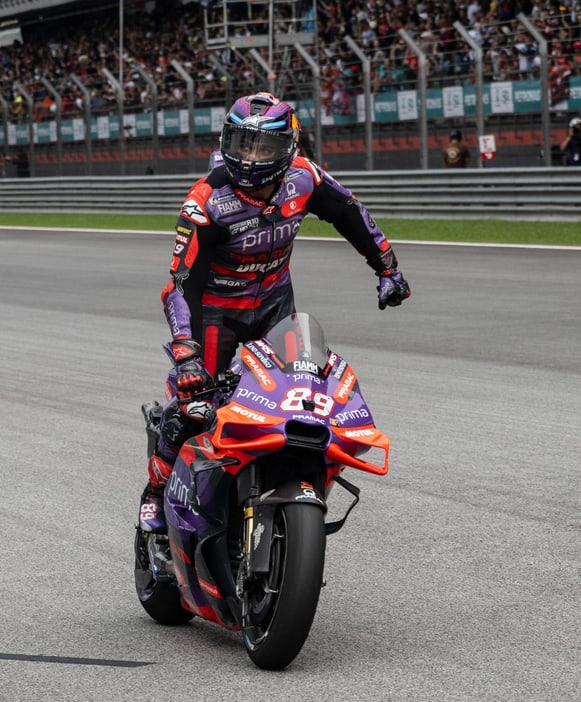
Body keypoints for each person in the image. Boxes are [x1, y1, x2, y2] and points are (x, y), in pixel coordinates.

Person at [139, 91, 411, 533]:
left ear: (288, 146)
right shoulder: (205, 201)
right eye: (242, 143)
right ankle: (155, 491)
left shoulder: (305, 178)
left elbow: (350, 212)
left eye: (262, 146)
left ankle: (286, 485)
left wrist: (388, 268)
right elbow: (179, 286)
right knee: (196, 408)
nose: (249, 157)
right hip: (214, 315)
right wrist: (186, 354)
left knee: (299, 402)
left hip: (275, 305)